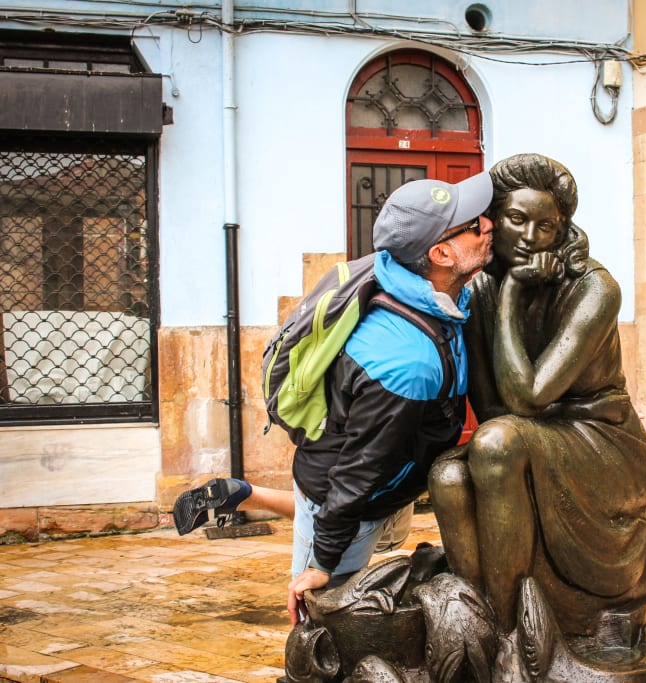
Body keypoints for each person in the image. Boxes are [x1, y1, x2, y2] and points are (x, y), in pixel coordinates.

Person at [173, 171, 495, 625]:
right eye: (475, 224)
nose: (489, 226)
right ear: (441, 254)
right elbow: (357, 474)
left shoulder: (422, 285)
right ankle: (283, 537)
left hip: (391, 483)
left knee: (384, 540)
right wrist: (321, 565)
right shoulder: (406, 361)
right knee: (324, 625)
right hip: (348, 493)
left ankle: (243, 494)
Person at [428, 153, 646, 632]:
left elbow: (528, 399)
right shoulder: (477, 294)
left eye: (547, 227)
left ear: (563, 232)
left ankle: (516, 632)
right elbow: (494, 407)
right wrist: (501, 292)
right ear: (492, 221)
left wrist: (511, 293)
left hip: (603, 441)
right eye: (516, 219)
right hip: (529, 434)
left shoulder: (595, 288)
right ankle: (482, 621)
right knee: (449, 475)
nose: (530, 238)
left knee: (494, 444)